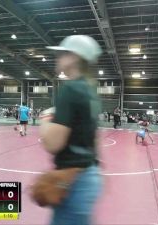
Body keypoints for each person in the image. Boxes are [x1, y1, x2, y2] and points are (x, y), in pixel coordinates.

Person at [40, 35, 103, 225]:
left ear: (74, 57)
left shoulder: (70, 90)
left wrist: (44, 120)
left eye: (62, 54)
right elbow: (94, 138)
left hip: (73, 181)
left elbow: (53, 144)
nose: (58, 58)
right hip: (89, 176)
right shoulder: (90, 91)